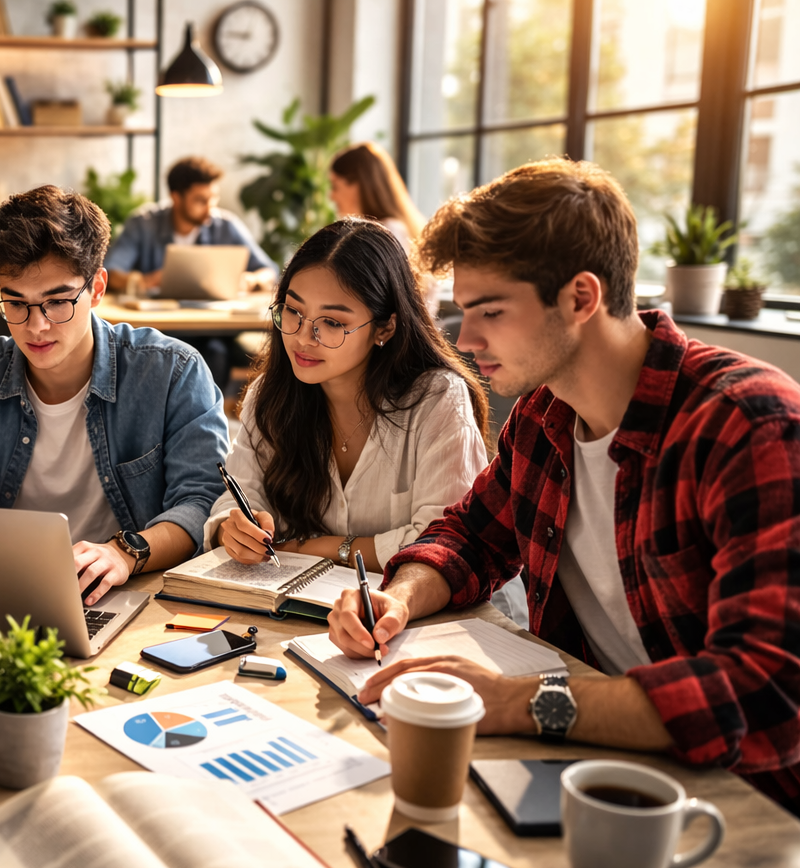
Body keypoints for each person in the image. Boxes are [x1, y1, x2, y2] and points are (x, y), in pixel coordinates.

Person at [328, 160, 800, 833]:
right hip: (589, 760)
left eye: (491, 311)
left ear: (581, 298)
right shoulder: (544, 415)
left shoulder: (750, 427)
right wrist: (399, 597)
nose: (466, 339)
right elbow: (470, 536)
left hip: (746, 805)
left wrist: (519, 702)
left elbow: (762, 694)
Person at [0, 185, 230, 606]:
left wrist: (124, 553)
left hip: (127, 591)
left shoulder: (173, 371)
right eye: (15, 303)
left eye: (58, 301)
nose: (36, 326)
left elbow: (201, 503)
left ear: (97, 288)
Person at [207, 218, 490, 573]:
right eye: (293, 311)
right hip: (298, 597)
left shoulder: (437, 399)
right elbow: (237, 499)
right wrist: (231, 529)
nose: (303, 338)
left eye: (332, 323)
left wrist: (311, 548)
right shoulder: (270, 395)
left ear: (385, 328)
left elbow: (444, 540)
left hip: (420, 601)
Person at [105, 156, 277, 387]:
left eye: (213, 198)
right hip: (160, 329)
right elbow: (111, 272)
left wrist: (252, 279)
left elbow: (269, 271)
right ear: (176, 197)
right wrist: (145, 281)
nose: (210, 208)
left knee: (216, 353)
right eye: (200, 200)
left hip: (212, 329)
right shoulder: (143, 223)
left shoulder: (225, 225)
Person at [327, 141, 425, 253]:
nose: (331, 196)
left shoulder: (389, 233)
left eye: (335, 187)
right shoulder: (375, 232)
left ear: (357, 186)